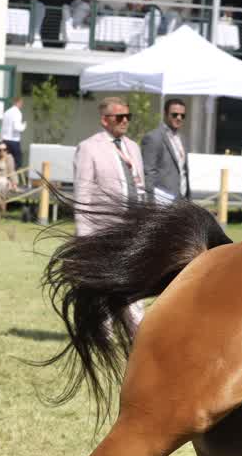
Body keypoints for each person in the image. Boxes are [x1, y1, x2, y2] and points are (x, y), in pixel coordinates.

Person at [75, 97, 145, 328]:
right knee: (104, 282)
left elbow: (140, 186)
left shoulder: (133, 147)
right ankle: (102, 330)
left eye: (128, 116)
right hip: (102, 229)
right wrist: (84, 237)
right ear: (105, 120)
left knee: (134, 279)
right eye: (119, 117)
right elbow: (83, 192)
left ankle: (137, 329)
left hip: (133, 227)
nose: (125, 121)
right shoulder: (89, 147)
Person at [141, 98, 190, 205]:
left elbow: (182, 171)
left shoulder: (182, 139)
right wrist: (150, 203)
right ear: (165, 114)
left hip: (182, 200)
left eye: (182, 115)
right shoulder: (153, 137)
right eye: (175, 114)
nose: (179, 118)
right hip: (162, 202)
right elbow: (148, 173)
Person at [0, 95, 26, 170]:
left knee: (5, 161)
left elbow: (3, 127)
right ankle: (13, 179)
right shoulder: (17, 112)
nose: (22, 105)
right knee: (17, 162)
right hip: (14, 140)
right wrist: (23, 126)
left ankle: (6, 177)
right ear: (19, 102)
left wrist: (1, 139)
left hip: (5, 139)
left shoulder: (7, 112)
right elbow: (17, 127)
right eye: (21, 103)